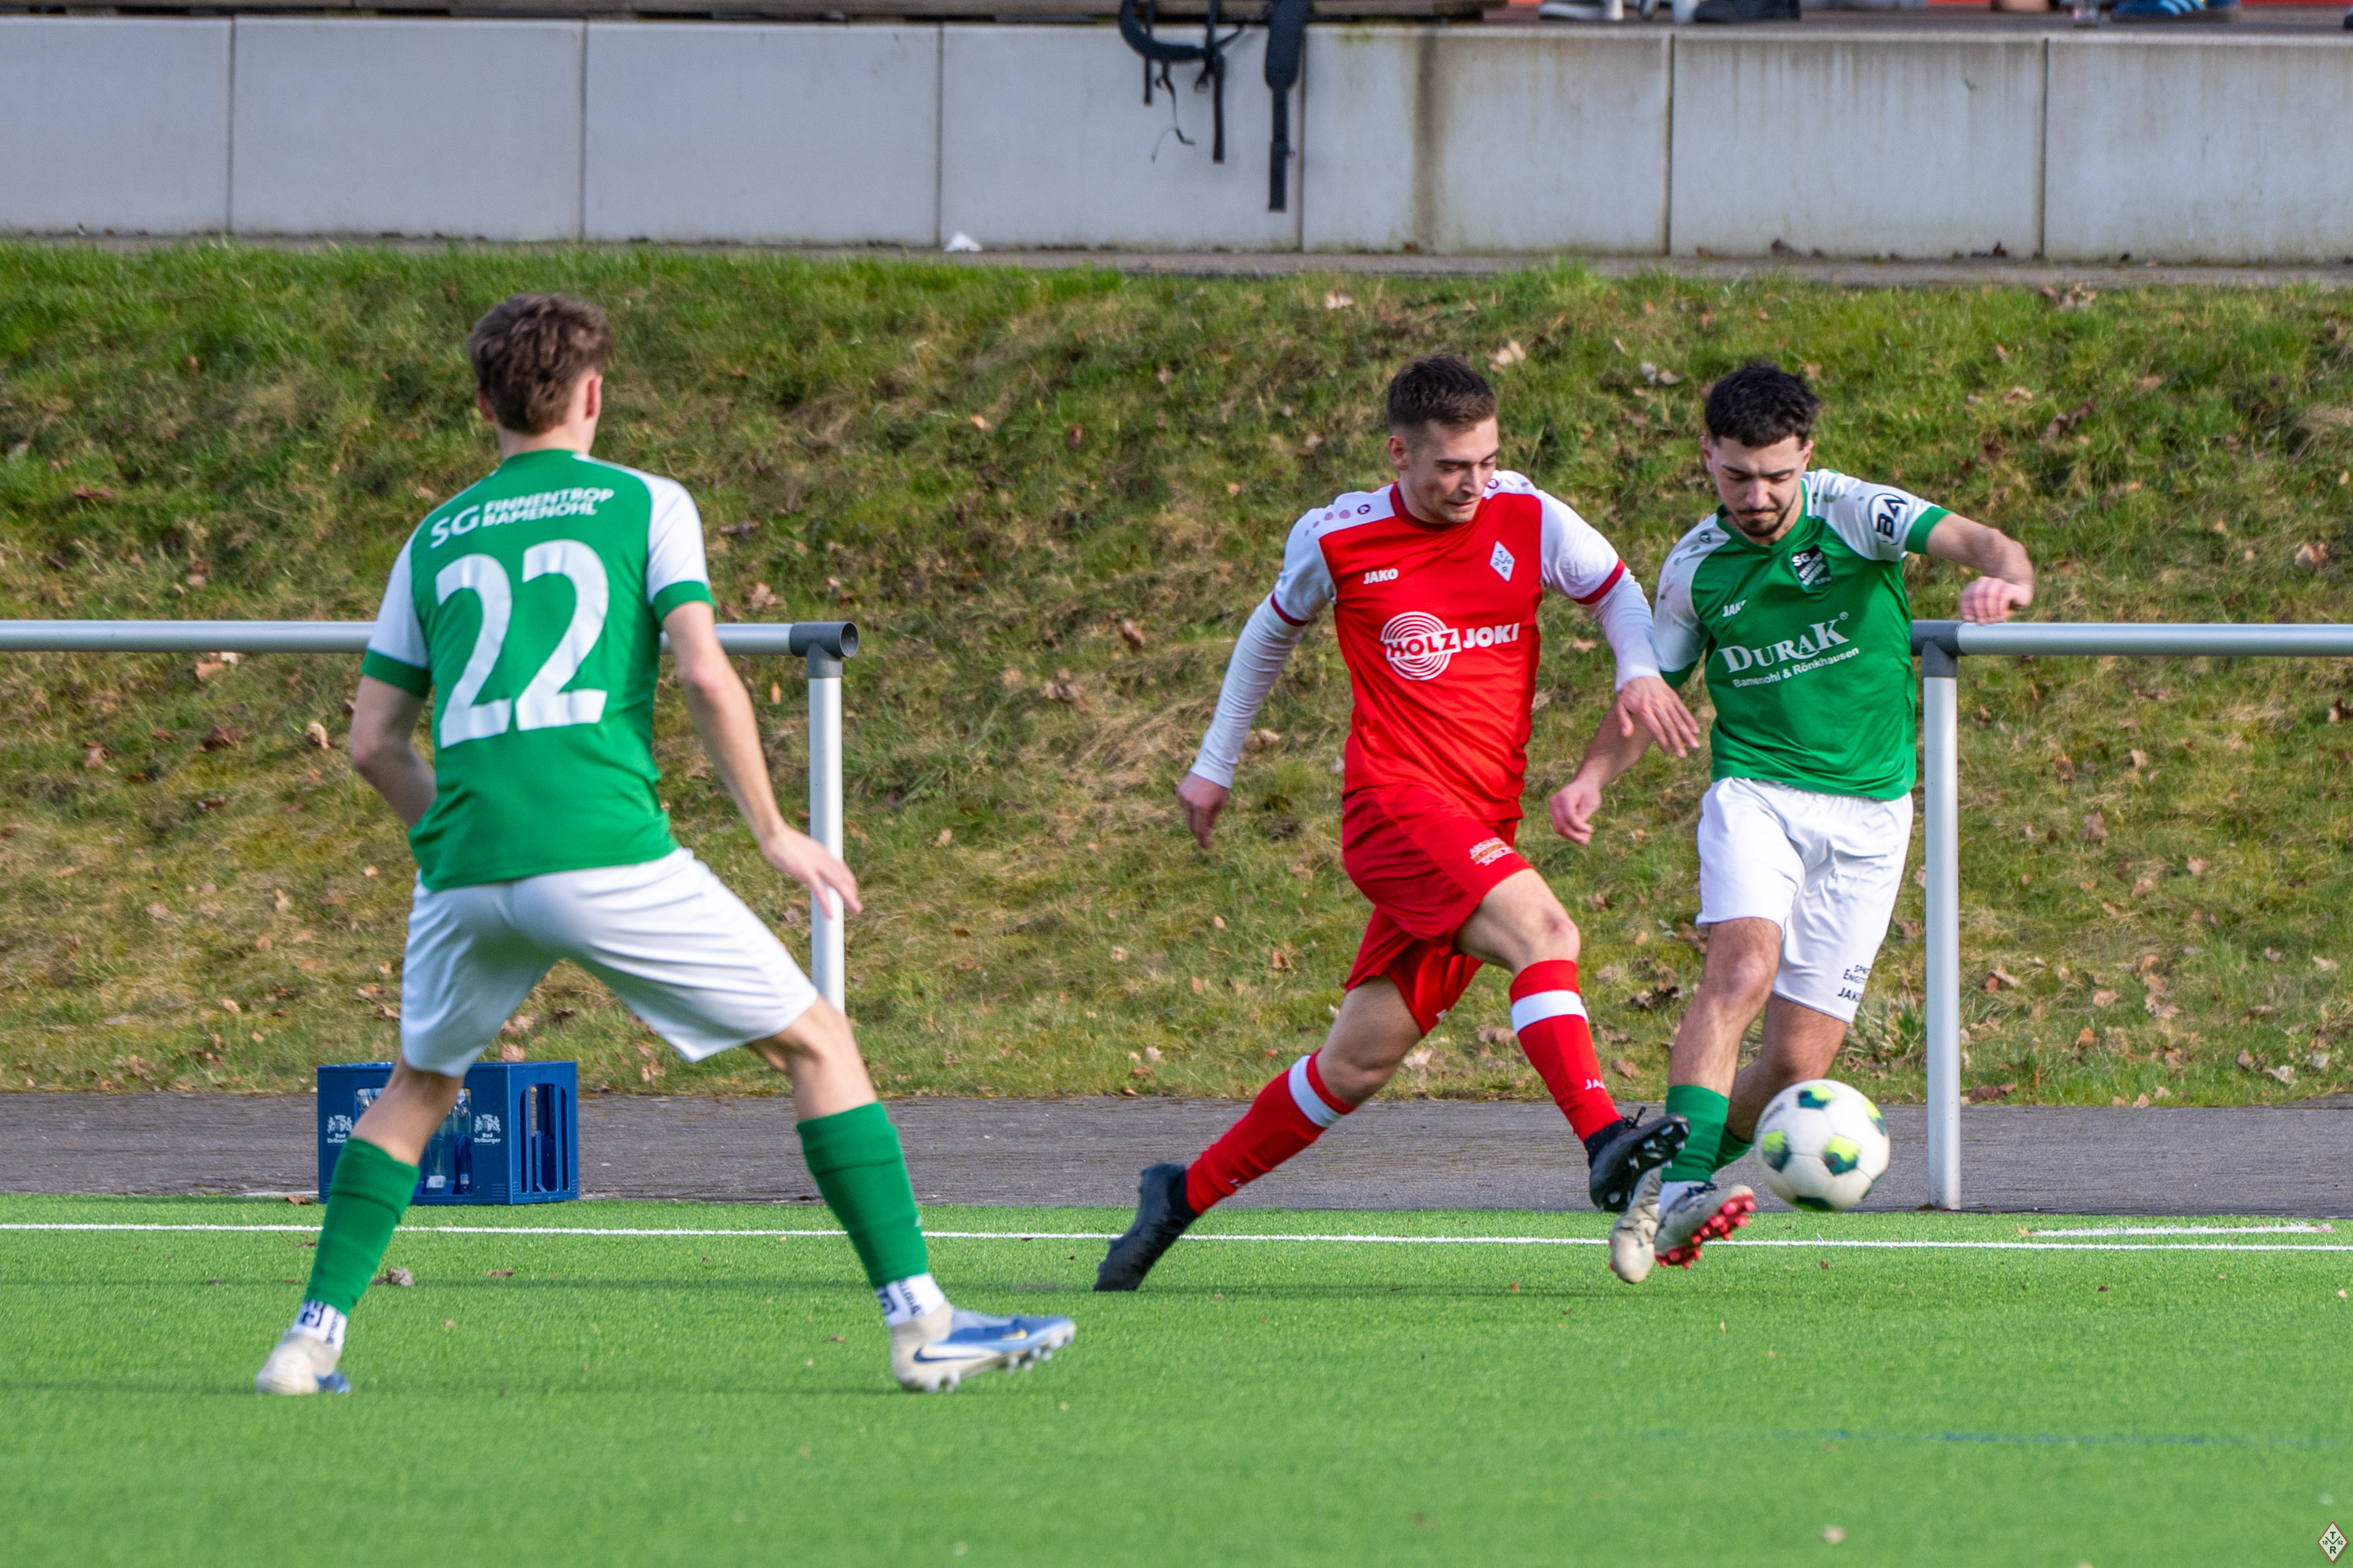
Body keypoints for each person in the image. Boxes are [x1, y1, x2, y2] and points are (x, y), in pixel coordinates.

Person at [255, 294, 1070, 1396]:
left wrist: (455, 835)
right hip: (603, 850)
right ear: (593, 395)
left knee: (419, 1087)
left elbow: (371, 743)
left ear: (483, 404)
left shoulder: (431, 537)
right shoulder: (647, 502)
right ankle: (919, 1323)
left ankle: (307, 1343)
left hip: (464, 869)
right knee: (817, 1043)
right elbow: (703, 672)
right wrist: (774, 831)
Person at [1095, 354, 1704, 1292]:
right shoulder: (1338, 536)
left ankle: (1178, 1196)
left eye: (1486, 461)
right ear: (1398, 454)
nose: (1473, 484)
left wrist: (1636, 670)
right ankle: (1602, 1139)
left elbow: (1617, 592)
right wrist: (1215, 762)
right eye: (1451, 467)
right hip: (1393, 810)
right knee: (1546, 933)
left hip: (1478, 829)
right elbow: (1269, 632)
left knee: (1354, 1065)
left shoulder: (1530, 516)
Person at [1553, 362, 2033, 1284]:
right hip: (1758, 795)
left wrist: (2004, 582)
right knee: (1741, 968)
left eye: (1777, 475)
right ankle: (1682, 1188)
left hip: (1872, 817)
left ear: (1806, 455)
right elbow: (1650, 694)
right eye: (1738, 475)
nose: (1758, 496)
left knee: (1792, 1067)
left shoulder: (1857, 513)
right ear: (1707, 455)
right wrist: (1590, 779)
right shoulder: (1695, 567)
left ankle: (1657, 1186)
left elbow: (1984, 543)